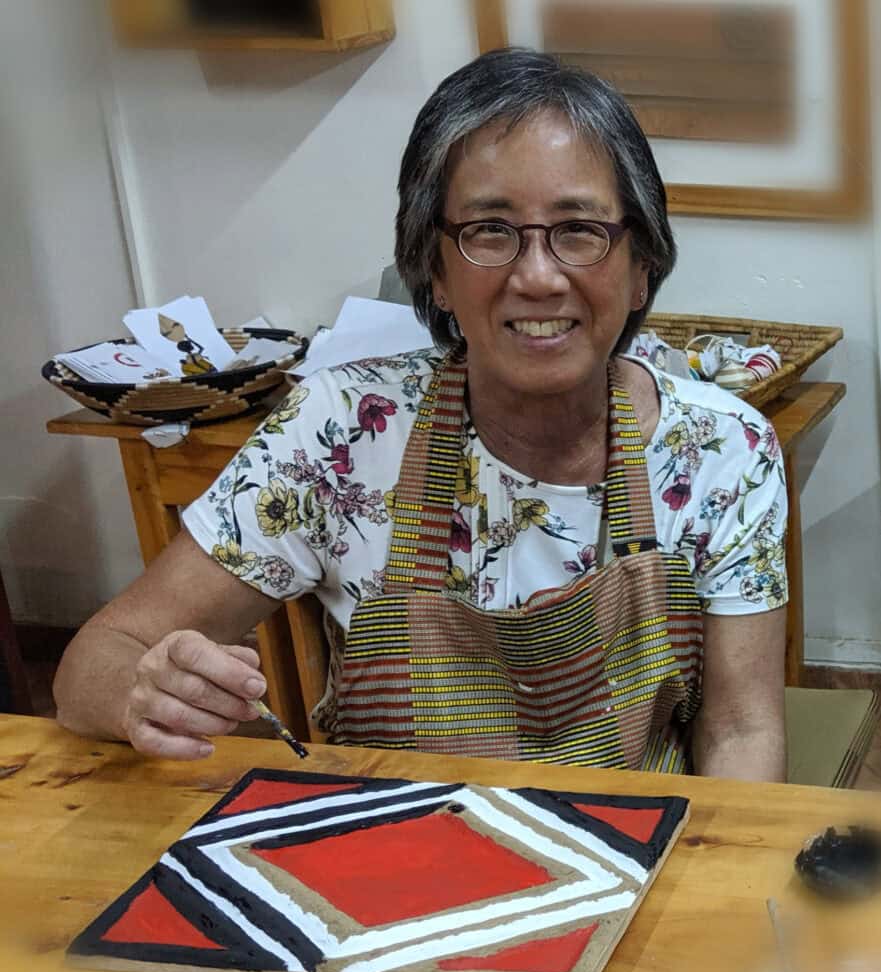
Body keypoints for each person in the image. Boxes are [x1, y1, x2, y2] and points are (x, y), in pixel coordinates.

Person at [54, 49, 787, 780]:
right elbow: (95, 661)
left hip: (635, 850)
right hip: (393, 863)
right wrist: (144, 693)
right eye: (490, 230)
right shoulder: (337, 431)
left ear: (640, 269)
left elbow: (739, 732)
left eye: (579, 230)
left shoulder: (720, 449)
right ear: (433, 271)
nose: (536, 276)